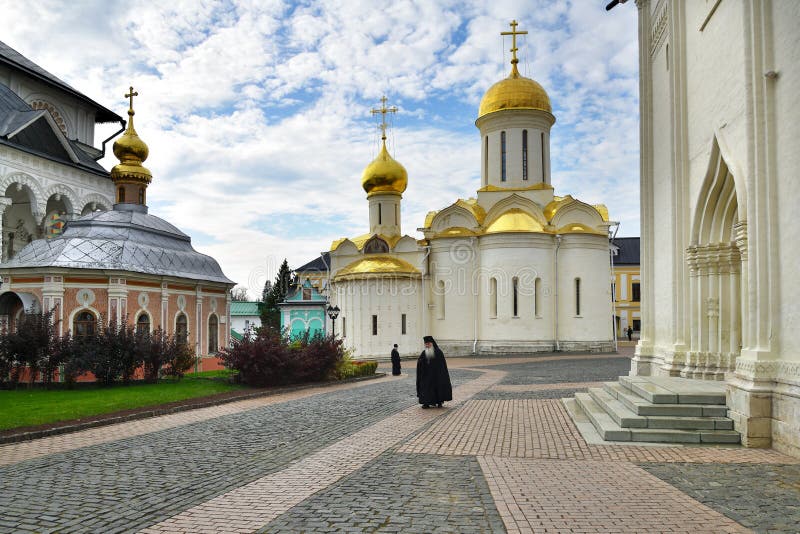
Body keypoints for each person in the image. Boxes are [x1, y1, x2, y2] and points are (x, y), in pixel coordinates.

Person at [416, 335, 453, 409]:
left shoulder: (438, 352)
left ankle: (439, 402)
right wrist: (420, 362)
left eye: (428, 344)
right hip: (426, 376)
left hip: (437, 375)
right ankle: (426, 403)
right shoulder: (424, 353)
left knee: (438, 388)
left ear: (432, 343)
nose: (427, 345)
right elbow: (420, 363)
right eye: (426, 344)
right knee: (425, 388)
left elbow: (442, 366)